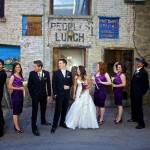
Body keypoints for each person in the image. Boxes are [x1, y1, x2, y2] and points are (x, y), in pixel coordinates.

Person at [28, 60, 51, 136]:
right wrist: (32, 95)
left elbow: (48, 84)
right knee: (35, 111)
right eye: (34, 66)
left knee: (43, 109)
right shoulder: (32, 74)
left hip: (43, 95)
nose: (33, 67)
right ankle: (34, 127)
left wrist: (49, 95)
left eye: (35, 66)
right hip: (35, 96)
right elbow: (29, 85)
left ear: (40, 67)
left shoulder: (46, 73)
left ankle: (43, 121)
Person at [51, 59, 73, 134]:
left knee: (64, 109)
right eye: (59, 63)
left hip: (66, 95)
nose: (59, 64)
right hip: (59, 94)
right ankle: (54, 125)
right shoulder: (56, 73)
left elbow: (71, 83)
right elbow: (54, 84)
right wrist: (55, 94)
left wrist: (69, 87)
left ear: (64, 64)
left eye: (60, 63)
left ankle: (62, 122)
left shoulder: (69, 73)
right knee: (57, 110)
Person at [128, 57, 149, 129]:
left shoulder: (144, 72)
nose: (138, 63)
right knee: (133, 105)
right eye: (137, 62)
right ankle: (134, 118)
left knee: (139, 107)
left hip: (138, 93)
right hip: (133, 92)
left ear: (143, 64)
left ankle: (141, 124)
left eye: (139, 62)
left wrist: (142, 93)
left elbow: (145, 84)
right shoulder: (136, 70)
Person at [8, 63, 24, 134]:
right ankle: (16, 127)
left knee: (19, 111)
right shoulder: (12, 76)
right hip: (15, 95)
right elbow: (9, 87)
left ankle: (16, 123)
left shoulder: (20, 75)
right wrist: (19, 88)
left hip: (21, 95)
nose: (18, 68)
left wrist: (24, 86)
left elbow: (22, 84)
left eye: (19, 67)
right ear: (14, 68)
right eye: (17, 67)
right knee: (15, 111)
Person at [93, 61, 111, 125]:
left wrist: (102, 82)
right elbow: (95, 82)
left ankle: (101, 118)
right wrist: (94, 83)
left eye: (97, 66)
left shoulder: (105, 74)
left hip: (102, 91)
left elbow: (109, 82)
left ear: (101, 67)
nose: (96, 67)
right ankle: (96, 116)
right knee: (97, 105)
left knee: (101, 105)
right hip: (96, 91)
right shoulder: (96, 74)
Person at [0, 59, 7, 137]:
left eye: (1, 64)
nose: (0, 66)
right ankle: (2, 122)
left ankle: (1, 130)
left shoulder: (3, 73)